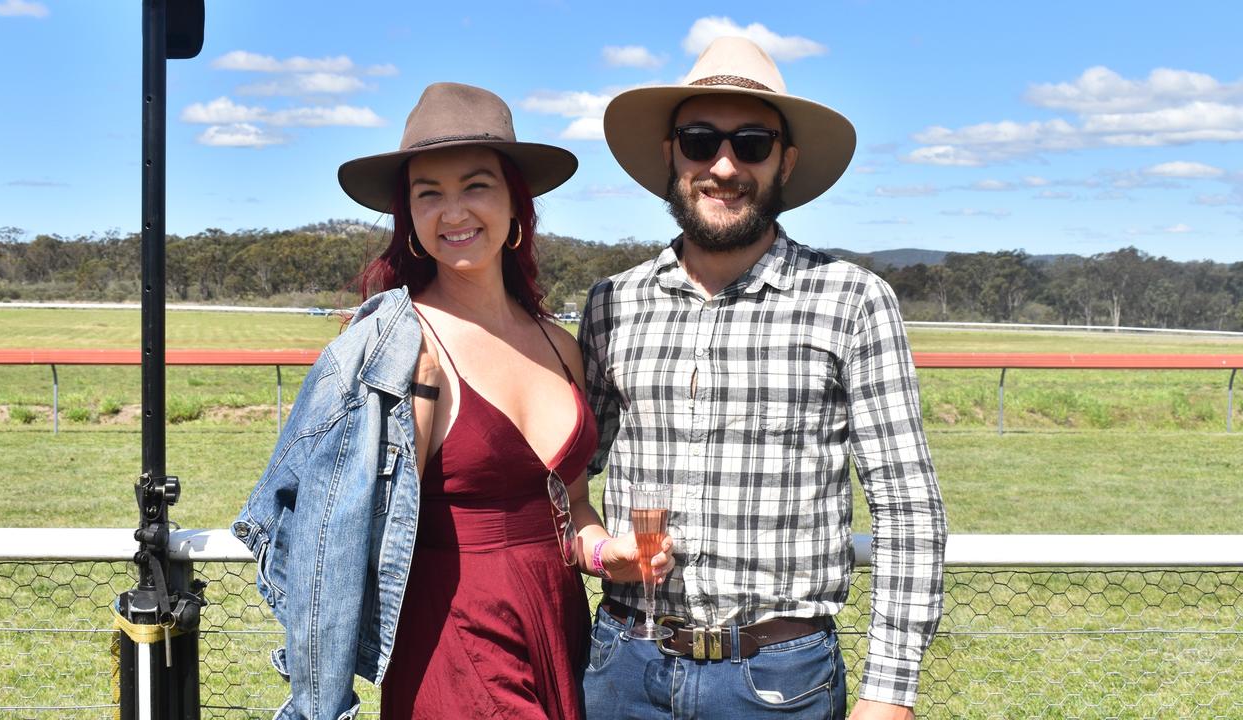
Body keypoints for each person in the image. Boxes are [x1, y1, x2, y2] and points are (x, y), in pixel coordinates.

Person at [234, 82, 672, 720]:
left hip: (559, 628)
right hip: (454, 639)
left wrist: (612, 555)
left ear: (516, 205)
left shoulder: (558, 344)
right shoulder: (402, 353)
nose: (454, 212)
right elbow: (343, 534)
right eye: (428, 194)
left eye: (476, 186)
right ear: (407, 218)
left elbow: (570, 508)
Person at [578, 37, 948, 720]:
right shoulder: (612, 304)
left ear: (786, 161)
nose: (724, 165)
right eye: (699, 139)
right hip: (624, 665)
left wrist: (890, 692)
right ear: (670, 154)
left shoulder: (851, 300)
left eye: (751, 143)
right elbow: (561, 480)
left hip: (778, 681)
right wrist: (600, 549)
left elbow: (907, 507)